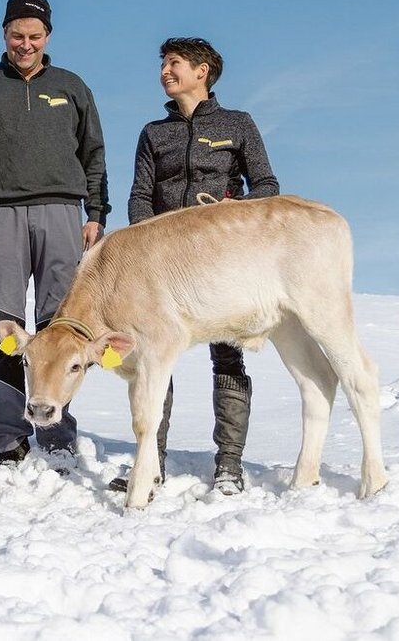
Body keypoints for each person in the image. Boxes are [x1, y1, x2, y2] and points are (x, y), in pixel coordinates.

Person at [121, 36, 280, 495]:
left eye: (173, 64)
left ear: (201, 70)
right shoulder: (154, 133)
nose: (164, 72)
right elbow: (139, 195)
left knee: (228, 353)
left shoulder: (238, 124)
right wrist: (141, 244)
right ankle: (153, 463)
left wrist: (235, 213)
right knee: (155, 358)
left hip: (223, 263)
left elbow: (266, 184)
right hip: (163, 267)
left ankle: (229, 464)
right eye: (164, 64)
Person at [0, 0, 111, 469]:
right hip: (1, 214)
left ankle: (57, 435)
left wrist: (96, 213)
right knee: (4, 325)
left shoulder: (70, 86)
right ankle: (8, 438)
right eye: (16, 35)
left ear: (48, 36)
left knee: (60, 330)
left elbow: (93, 153)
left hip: (63, 213)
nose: (25, 44)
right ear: (3, 34)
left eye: (34, 36)